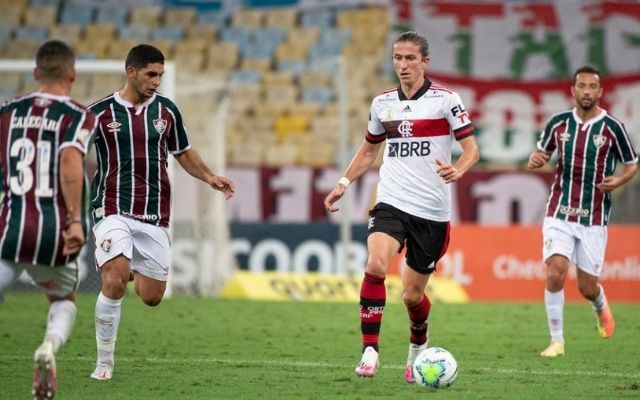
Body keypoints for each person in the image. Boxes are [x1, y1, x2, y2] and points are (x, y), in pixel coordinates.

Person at [323, 31, 479, 382]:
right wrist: (343, 184)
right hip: (391, 200)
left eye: (410, 58)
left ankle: (417, 350)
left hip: (432, 212)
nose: (403, 65)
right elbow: (368, 152)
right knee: (375, 265)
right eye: (397, 58)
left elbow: (472, 149)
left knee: (411, 296)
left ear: (425, 62)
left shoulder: (446, 100)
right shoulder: (382, 104)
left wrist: (460, 167)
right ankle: (370, 351)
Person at [87, 44, 235, 380]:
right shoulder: (99, 114)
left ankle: (125, 265)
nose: (157, 81)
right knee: (112, 283)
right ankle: (104, 362)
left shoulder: (166, 112)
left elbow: (182, 152)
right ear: (131, 72)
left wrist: (210, 177)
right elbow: (71, 153)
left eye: (160, 75)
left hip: (153, 214)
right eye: (151, 74)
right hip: (111, 207)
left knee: (152, 297)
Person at [0, 40, 97, 399]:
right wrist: (74, 221)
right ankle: (48, 347)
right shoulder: (78, 115)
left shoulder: (7, 112)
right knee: (63, 299)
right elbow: (70, 162)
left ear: (36, 72)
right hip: (53, 232)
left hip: (9, 229)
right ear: (71, 74)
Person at [528, 65, 638, 358]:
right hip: (560, 211)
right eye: (582, 86)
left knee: (587, 287)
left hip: (594, 216)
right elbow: (543, 152)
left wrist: (620, 180)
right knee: (556, 271)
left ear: (600, 92)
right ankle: (556, 341)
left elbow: (631, 164)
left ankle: (600, 307)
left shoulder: (613, 128)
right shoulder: (559, 123)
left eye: (593, 87)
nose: (587, 91)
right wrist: (537, 159)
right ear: (573, 90)